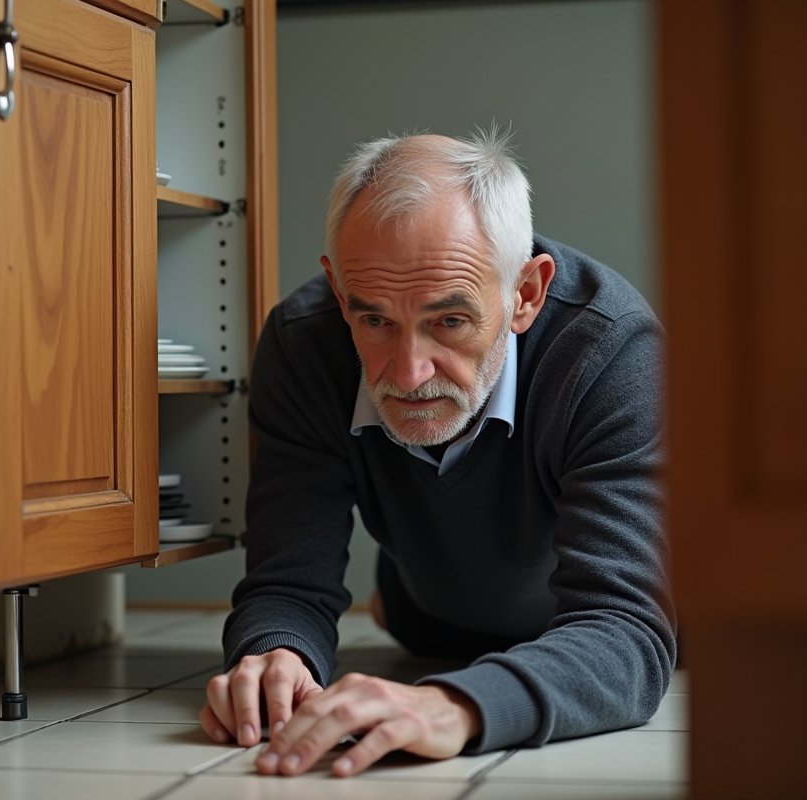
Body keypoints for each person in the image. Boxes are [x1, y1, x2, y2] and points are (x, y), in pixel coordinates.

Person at [198, 129, 676, 778]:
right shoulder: (303, 345)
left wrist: (455, 705)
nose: (410, 372)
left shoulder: (614, 351)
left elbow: (626, 630)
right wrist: (277, 655)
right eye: (374, 320)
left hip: (648, 616)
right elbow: (288, 580)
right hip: (432, 620)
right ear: (338, 291)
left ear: (526, 294)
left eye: (449, 321)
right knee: (404, 617)